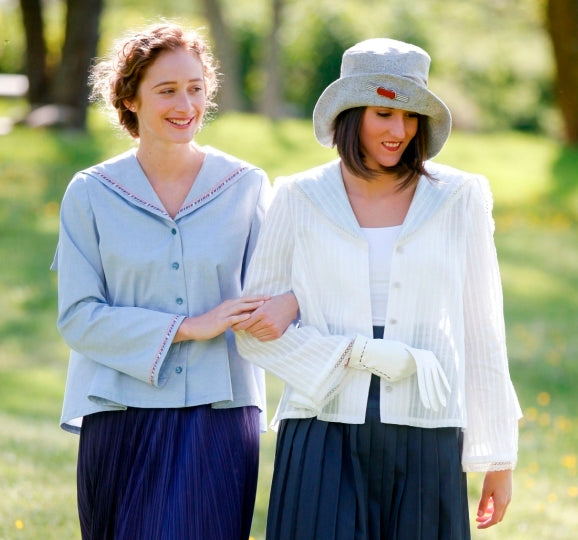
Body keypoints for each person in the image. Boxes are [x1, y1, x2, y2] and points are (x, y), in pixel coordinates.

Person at [235, 38, 522, 539]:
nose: (399, 131)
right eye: (384, 113)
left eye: (410, 116)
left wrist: (497, 454)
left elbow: (482, 328)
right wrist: (359, 352)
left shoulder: (459, 197)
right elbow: (254, 331)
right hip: (321, 426)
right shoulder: (298, 196)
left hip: (428, 430)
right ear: (350, 113)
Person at [52, 22, 297, 540]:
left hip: (220, 414)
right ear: (130, 98)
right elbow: (78, 319)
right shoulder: (91, 193)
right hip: (119, 412)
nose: (185, 104)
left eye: (195, 88)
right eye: (167, 90)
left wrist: (281, 308)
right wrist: (189, 326)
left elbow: (283, 292)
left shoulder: (246, 186)